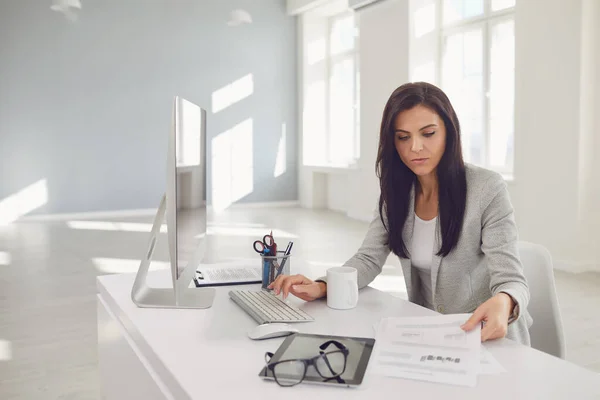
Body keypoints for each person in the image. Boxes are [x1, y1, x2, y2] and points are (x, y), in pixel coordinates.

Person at [269, 81, 533, 345]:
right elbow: (368, 258)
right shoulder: (397, 192)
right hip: (431, 336)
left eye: (428, 133)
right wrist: (324, 285)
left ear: (449, 133)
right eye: (403, 137)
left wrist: (504, 300)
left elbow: (512, 280)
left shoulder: (486, 188)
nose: (415, 147)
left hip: (486, 336)